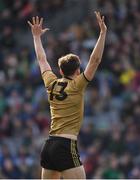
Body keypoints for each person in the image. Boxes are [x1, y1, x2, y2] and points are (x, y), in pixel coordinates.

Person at [28, 11, 107, 179]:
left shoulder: (51, 82)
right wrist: (102, 33)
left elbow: (42, 60)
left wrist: (36, 37)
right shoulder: (77, 85)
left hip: (49, 146)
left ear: (61, 71)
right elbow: (95, 60)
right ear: (77, 71)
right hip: (65, 145)